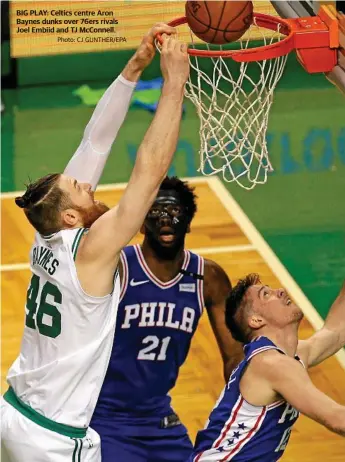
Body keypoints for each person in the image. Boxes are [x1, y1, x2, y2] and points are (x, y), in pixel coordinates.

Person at [1, 25, 189, 462]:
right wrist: (174, 84)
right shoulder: (90, 250)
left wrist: (134, 66)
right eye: (81, 188)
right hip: (52, 438)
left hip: (15, 415)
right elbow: (149, 173)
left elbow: (95, 140)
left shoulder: (48, 235)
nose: (89, 184)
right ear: (70, 216)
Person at [90, 176, 244, 462]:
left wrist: (240, 413)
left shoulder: (208, 278)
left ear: (188, 221)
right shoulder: (118, 266)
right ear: (140, 222)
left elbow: (234, 356)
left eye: (174, 212)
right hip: (103, 415)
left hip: (158, 416)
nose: (166, 219)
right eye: (156, 211)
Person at [190, 273, 345, 461]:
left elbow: (335, 332)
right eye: (266, 294)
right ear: (256, 320)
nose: (279, 291)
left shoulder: (287, 356)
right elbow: (338, 420)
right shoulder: (271, 364)